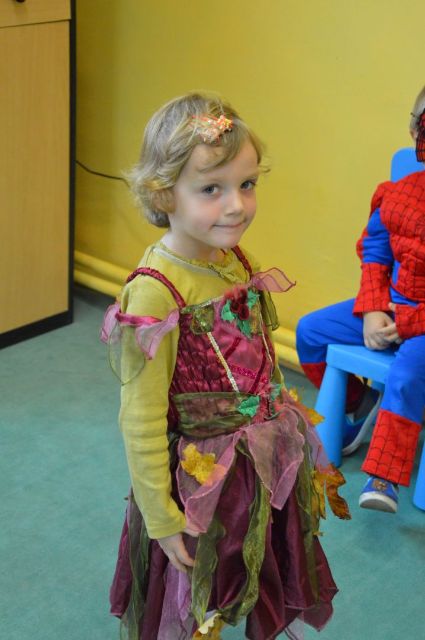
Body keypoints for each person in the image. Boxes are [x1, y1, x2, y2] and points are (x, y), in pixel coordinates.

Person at [102, 92, 350, 640]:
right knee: (195, 594)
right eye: (211, 189)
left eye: (247, 183)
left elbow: (259, 349)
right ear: (163, 193)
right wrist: (162, 518)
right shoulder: (155, 292)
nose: (237, 205)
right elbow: (140, 416)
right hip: (201, 482)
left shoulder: (237, 259)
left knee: (256, 570)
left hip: (258, 462)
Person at [296, 85, 425, 515]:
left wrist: (406, 325)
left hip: (419, 324)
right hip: (389, 305)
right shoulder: (398, 194)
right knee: (311, 331)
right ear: (414, 130)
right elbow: (375, 253)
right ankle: (360, 403)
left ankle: (384, 476)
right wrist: (372, 309)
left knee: (407, 372)